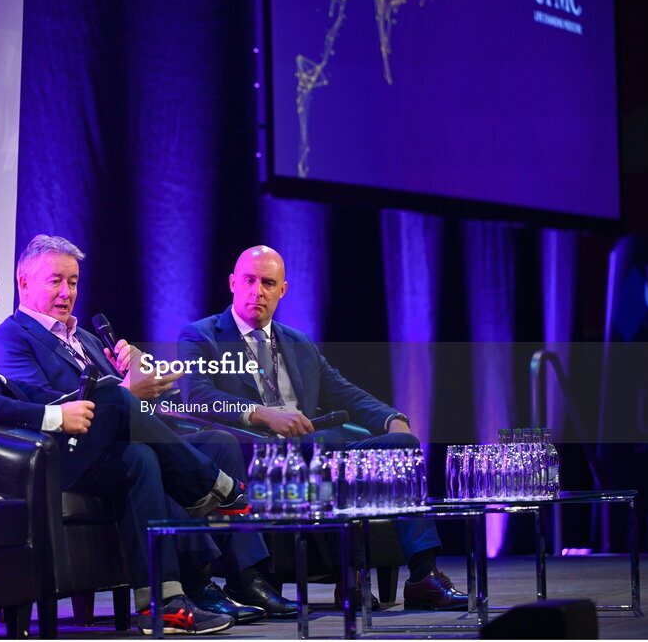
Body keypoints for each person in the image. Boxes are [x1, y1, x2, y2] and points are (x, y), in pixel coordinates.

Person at [0, 235, 247, 634]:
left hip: (21, 456)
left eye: (73, 281)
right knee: (117, 399)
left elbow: (14, 392)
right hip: (0, 468)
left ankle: (162, 604)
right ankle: (216, 489)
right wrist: (56, 415)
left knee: (138, 458)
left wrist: (72, 402)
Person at [0, 234, 296, 621]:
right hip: (67, 454)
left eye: (74, 281)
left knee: (218, 441)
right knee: (147, 454)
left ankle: (244, 578)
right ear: (24, 282)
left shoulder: (86, 339)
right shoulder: (9, 339)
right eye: (55, 281)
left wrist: (146, 380)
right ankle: (199, 578)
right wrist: (128, 390)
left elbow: (133, 406)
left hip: (116, 442)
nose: (67, 292)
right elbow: (45, 408)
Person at [177, 245, 468, 611]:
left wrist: (391, 418)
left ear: (282, 290)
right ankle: (351, 577)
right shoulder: (201, 335)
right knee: (327, 442)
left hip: (317, 448)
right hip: (258, 457)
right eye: (249, 281)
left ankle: (423, 575)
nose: (257, 291)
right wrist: (263, 414)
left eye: (268, 283)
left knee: (401, 445)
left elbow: (343, 390)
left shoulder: (298, 343)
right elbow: (197, 395)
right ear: (233, 283)